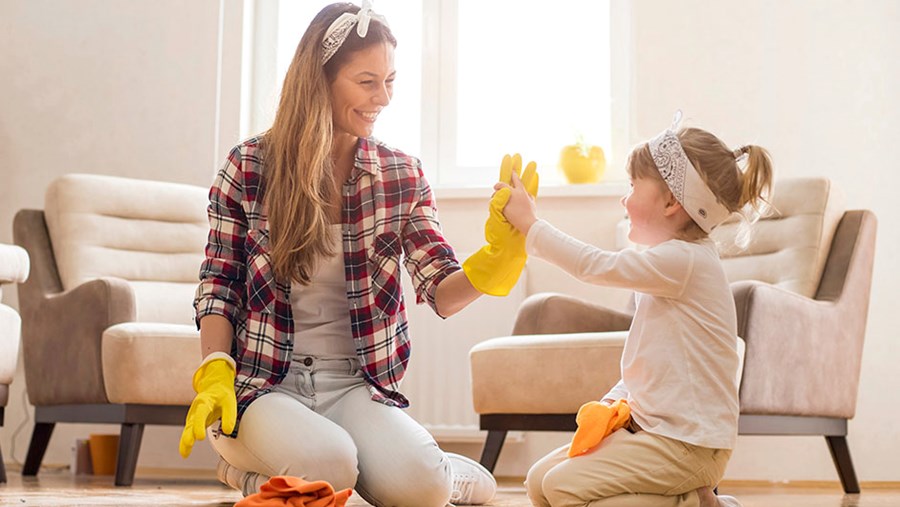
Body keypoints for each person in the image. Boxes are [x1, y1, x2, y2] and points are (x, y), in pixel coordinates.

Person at [176, 2, 538, 507]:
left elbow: (442, 291)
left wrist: (498, 255)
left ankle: (432, 473)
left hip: (353, 387)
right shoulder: (250, 166)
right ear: (318, 80)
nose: (383, 97)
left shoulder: (400, 175)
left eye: (391, 80)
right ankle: (249, 471)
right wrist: (215, 369)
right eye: (367, 81)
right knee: (330, 464)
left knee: (423, 491)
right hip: (263, 384)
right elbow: (218, 284)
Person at [499, 111, 773, 507]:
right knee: (539, 482)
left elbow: (595, 265)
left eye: (632, 186)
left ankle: (695, 503)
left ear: (671, 203)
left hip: (690, 445)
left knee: (562, 488)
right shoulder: (668, 265)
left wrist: (531, 226)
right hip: (653, 432)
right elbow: (652, 360)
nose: (623, 198)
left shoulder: (686, 261)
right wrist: (614, 402)